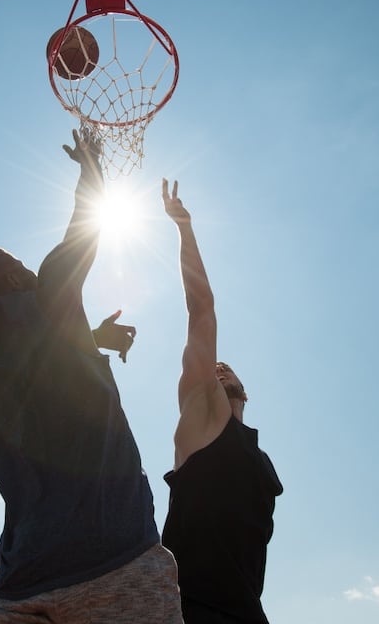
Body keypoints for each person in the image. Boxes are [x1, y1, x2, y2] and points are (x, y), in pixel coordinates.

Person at [0, 129, 182, 624]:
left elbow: (36, 368)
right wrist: (91, 166)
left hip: (21, 584)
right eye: (19, 265)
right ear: (15, 277)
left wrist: (88, 338)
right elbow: (83, 228)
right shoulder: (49, 294)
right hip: (116, 559)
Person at [159, 179, 284, 624]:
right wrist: (185, 229)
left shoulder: (260, 459)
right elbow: (202, 310)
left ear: (244, 390)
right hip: (188, 609)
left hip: (246, 610)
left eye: (227, 369)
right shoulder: (201, 415)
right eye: (214, 368)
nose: (219, 368)